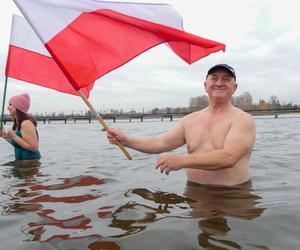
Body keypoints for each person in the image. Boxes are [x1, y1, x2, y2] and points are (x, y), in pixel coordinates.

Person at [106, 64, 256, 186]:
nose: (219, 83)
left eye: (226, 79)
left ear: (235, 87)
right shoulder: (189, 120)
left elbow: (229, 157)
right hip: (194, 194)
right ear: (205, 85)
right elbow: (160, 142)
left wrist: (182, 160)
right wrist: (126, 140)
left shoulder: (242, 120)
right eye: (214, 78)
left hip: (234, 197)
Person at [0, 93, 41, 161]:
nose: (7, 108)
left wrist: (14, 136)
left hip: (30, 164)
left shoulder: (26, 123)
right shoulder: (18, 124)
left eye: (10, 104)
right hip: (22, 163)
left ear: (18, 107)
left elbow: (34, 148)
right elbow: (19, 144)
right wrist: (4, 136)